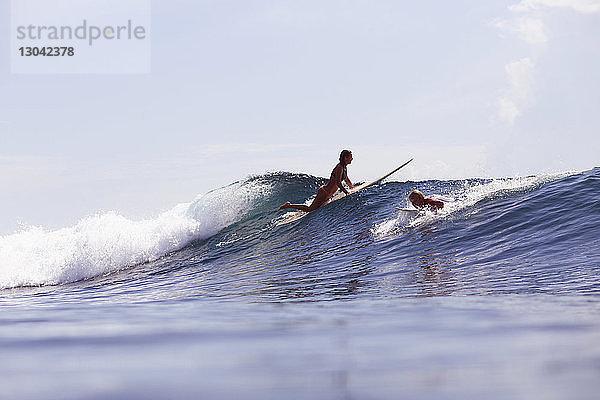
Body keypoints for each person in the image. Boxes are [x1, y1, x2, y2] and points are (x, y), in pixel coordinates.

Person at [279, 150, 355, 212]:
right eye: (351, 157)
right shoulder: (339, 167)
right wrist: (346, 192)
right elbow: (338, 182)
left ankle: (298, 211)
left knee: (314, 209)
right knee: (310, 209)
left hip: (328, 194)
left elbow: (346, 179)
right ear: (345, 158)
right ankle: (289, 205)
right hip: (324, 192)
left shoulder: (344, 168)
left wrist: (352, 187)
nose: (352, 159)